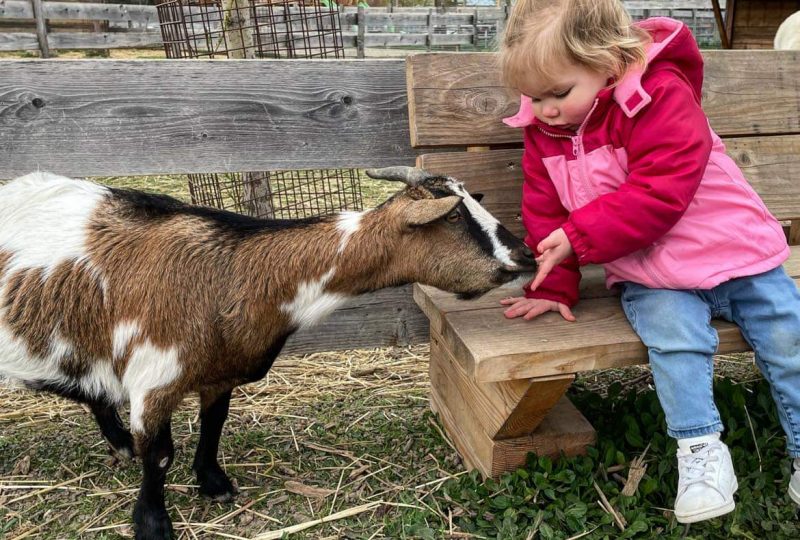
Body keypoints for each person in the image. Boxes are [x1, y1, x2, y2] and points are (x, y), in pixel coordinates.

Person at [497, 0, 800, 524]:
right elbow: (545, 213)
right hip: (653, 270)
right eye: (533, 96)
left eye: (559, 93)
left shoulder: (659, 95)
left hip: (735, 250)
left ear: (609, 61)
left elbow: (661, 190)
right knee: (674, 337)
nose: (544, 109)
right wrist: (552, 287)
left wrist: (579, 234)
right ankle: (701, 453)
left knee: (788, 338)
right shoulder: (545, 132)